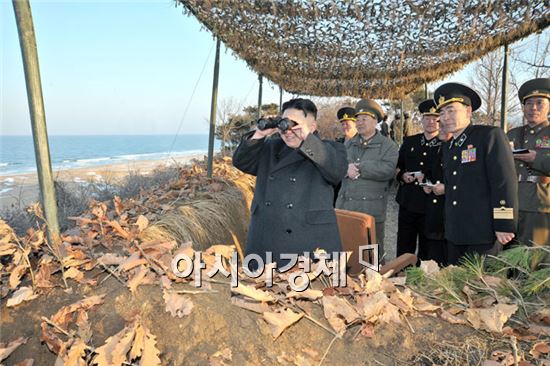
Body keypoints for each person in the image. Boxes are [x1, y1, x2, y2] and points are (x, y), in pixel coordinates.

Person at [232, 98, 348, 269]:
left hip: (308, 240)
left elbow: (336, 171)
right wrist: (259, 134)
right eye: (284, 124)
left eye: (294, 125)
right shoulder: (270, 148)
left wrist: (306, 138)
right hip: (266, 238)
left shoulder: (331, 149)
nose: (288, 131)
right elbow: (241, 161)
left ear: (312, 127)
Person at [436, 82, 518, 264]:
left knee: (484, 288)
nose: (445, 117)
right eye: (442, 113)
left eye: (451, 110)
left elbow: (504, 182)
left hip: (483, 233)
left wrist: (504, 224)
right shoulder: (449, 146)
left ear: (468, 111)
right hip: (455, 232)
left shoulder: (489, 136)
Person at [335, 99, 399, 261]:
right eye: (358, 119)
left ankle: (375, 283)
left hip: (371, 209)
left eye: (364, 119)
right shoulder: (349, 144)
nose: (360, 123)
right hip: (345, 207)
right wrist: (345, 170)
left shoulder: (388, 146)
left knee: (372, 254)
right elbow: (337, 165)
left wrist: (360, 168)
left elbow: (388, 170)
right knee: (346, 250)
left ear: (375, 121)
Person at [395, 99, 442, 260]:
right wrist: (402, 175)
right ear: (421, 120)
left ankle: (422, 280)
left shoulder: (445, 144)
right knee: (404, 244)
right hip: (408, 202)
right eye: (427, 118)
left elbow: (447, 173)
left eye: (435, 118)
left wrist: (427, 178)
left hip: (430, 204)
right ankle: (400, 275)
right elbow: (398, 166)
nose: (431, 122)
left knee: (427, 247)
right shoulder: (410, 142)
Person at [506, 78, 550, 246]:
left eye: (540, 103)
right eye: (529, 103)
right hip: (511, 203)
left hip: (541, 206)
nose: (533, 108)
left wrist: (536, 158)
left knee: (535, 258)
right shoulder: (512, 134)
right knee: (508, 258)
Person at [422, 120, 453, 265]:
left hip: (449, 209)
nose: (439, 129)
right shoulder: (437, 149)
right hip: (434, 209)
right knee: (433, 251)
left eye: (443, 126)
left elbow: (465, 179)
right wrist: (427, 184)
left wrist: (446, 188)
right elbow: (430, 171)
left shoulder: (458, 149)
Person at [334, 107, 357, 204]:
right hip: (338, 189)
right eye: (342, 124)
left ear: (356, 123)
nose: (344, 126)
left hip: (354, 190)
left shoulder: (363, 143)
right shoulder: (338, 143)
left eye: (347, 123)